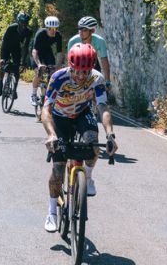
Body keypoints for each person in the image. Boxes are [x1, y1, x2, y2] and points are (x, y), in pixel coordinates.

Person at [41, 44, 117, 232]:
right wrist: (51, 134)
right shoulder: (58, 78)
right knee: (58, 168)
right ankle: (51, 211)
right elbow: (46, 109)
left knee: (94, 144)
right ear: (70, 66)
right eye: (77, 71)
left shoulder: (97, 79)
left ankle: (88, 178)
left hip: (82, 113)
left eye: (86, 72)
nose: (81, 76)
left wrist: (110, 135)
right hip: (60, 117)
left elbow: (103, 108)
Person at [66, 16, 111, 87]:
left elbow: (104, 60)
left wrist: (107, 81)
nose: (81, 32)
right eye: (79, 29)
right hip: (77, 65)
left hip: (92, 64)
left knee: (96, 88)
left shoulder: (100, 41)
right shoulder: (72, 41)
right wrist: (69, 80)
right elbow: (69, 62)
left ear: (92, 31)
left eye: (84, 30)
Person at [0, 12, 33, 97]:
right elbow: (4, 42)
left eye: (25, 23)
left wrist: (23, 62)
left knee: (16, 69)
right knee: (3, 65)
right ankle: (1, 83)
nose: (23, 25)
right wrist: (2, 58)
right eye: (21, 22)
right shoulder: (11, 28)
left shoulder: (28, 32)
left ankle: (14, 90)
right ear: (18, 21)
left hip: (16, 48)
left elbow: (25, 47)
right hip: (6, 46)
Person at [30, 16, 64, 106]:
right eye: (50, 29)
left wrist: (58, 66)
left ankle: (49, 94)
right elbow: (34, 51)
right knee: (39, 72)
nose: (53, 31)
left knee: (53, 73)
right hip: (36, 52)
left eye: (55, 28)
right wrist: (39, 64)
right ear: (46, 28)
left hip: (47, 51)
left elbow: (60, 53)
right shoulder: (40, 33)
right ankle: (33, 95)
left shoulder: (58, 35)